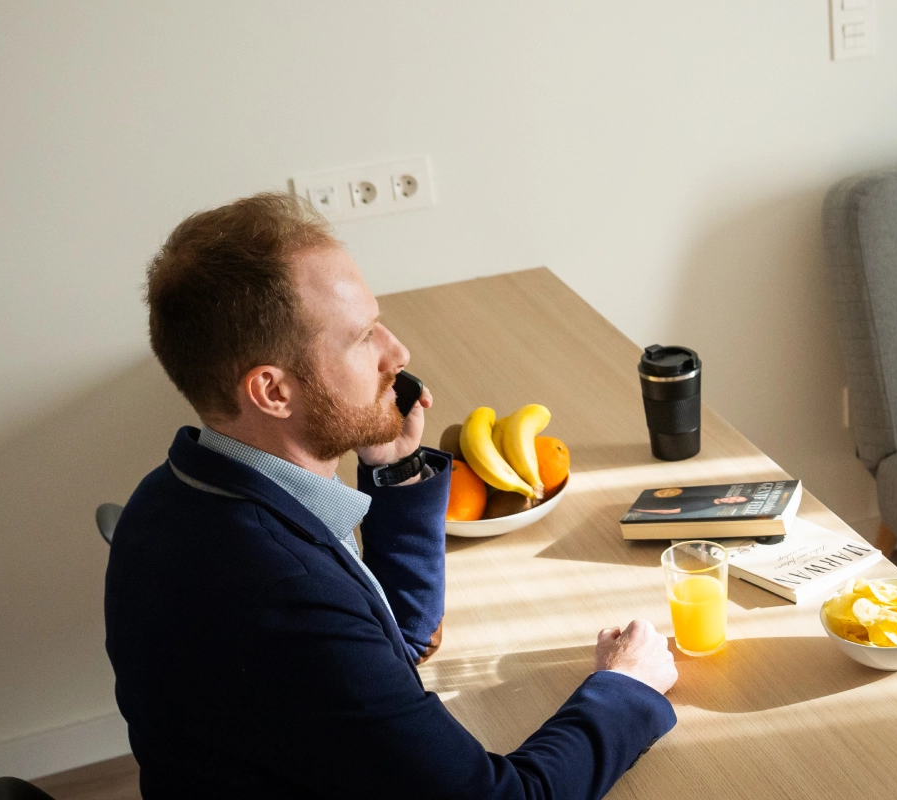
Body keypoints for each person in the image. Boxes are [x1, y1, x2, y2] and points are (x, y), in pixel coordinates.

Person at [106, 192, 680, 799]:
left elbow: (392, 644)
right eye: (360, 338)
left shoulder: (175, 493)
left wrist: (396, 466)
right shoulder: (280, 596)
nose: (397, 353)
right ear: (272, 392)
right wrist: (626, 690)